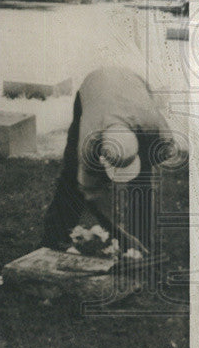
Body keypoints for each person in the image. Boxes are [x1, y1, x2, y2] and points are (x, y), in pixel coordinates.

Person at [42, 66, 177, 256]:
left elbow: (166, 152)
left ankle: (141, 243)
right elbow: (90, 193)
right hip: (94, 87)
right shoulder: (89, 139)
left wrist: (144, 165)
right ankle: (55, 238)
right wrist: (117, 231)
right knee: (72, 174)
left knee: (144, 182)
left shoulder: (155, 127)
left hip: (134, 86)